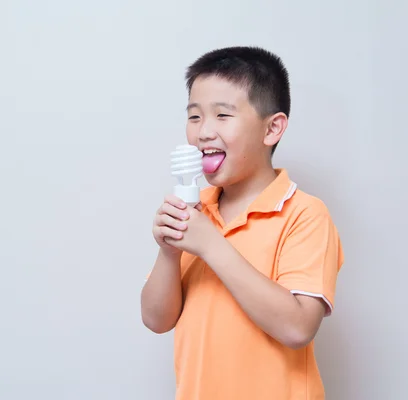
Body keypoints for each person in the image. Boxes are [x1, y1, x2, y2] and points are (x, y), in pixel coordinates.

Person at [140, 46, 344, 400]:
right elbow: (156, 320)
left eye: (222, 115)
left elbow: (297, 327)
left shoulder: (304, 214)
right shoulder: (196, 212)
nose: (204, 132)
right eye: (194, 117)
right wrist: (169, 253)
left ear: (272, 129)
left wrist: (209, 243)